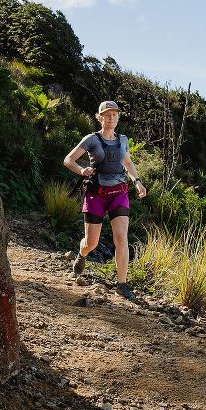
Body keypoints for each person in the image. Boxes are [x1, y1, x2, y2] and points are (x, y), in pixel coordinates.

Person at [63, 100, 147, 300]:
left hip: (119, 194)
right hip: (96, 194)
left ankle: (122, 284)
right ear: (99, 117)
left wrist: (137, 181)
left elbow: (127, 161)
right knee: (91, 243)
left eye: (115, 115)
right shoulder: (91, 139)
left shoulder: (123, 140)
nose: (111, 118)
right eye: (107, 115)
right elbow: (68, 159)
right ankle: (82, 254)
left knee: (121, 237)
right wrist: (82, 170)